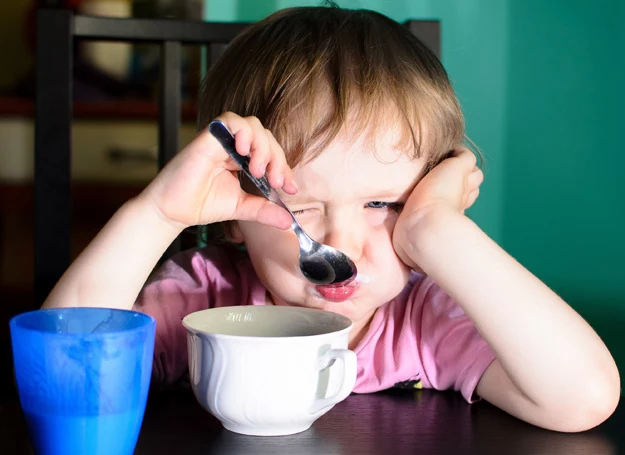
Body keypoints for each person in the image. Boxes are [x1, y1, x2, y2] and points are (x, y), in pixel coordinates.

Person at [42, 5, 620, 432]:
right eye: (299, 207)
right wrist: (158, 213)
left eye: (383, 205)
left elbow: (584, 398)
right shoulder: (206, 300)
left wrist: (439, 230)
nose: (341, 243)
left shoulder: (423, 321)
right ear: (235, 216)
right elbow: (64, 380)